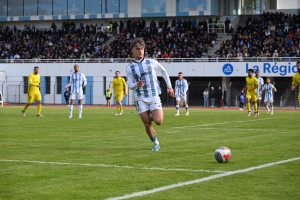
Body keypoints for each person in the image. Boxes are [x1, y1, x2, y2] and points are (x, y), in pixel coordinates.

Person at [126, 38, 174, 151]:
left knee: (158, 121)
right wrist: (137, 84)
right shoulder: (130, 68)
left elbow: (163, 71)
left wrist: (169, 86)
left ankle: (152, 114)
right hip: (140, 98)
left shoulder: (151, 62)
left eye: (142, 49)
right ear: (132, 50)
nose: (140, 51)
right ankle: (156, 143)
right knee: (147, 123)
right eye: (138, 49)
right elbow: (129, 84)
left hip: (153, 96)